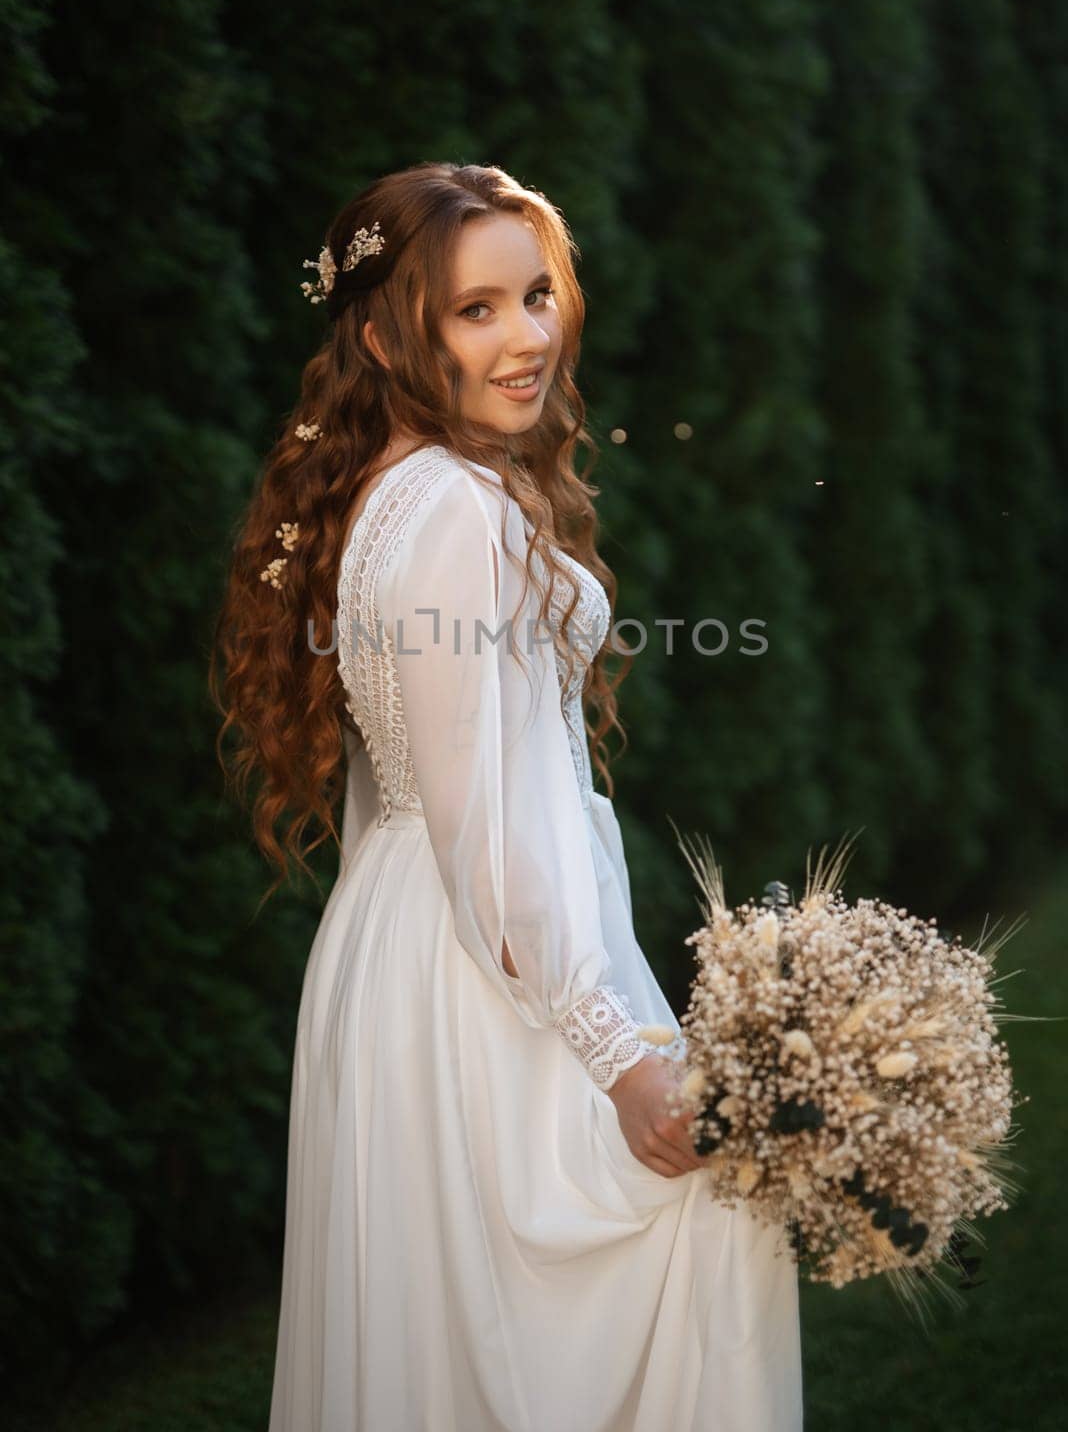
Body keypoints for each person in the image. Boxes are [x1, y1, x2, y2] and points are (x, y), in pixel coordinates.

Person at [211, 163, 802, 1430]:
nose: (528, 336)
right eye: (475, 310)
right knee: (692, 1241)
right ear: (380, 333)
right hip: (492, 969)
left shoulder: (403, 491)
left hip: (429, 944)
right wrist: (621, 1061)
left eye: (536, 294)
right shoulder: (453, 515)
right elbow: (483, 839)